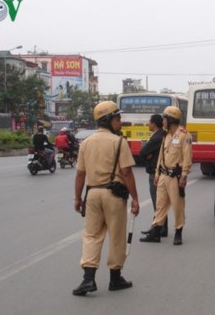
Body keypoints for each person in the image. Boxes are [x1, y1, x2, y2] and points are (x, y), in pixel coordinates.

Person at [72, 101, 140, 296]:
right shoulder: (119, 142)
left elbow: (80, 175)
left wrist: (77, 198)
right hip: (114, 196)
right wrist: (135, 198)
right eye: (118, 119)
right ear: (108, 120)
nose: (120, 123)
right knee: (117, 236)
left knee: (92, 235)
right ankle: (115, 278)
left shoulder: (86, 143)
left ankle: (88, 279)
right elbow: (126, 173)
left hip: (92, 194)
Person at [140, 106, 192, 245]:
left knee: (177, 205)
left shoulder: (184, 135)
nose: (162, 121)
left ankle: (178, 232)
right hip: (163, 175)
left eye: (164, 118)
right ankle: (156, 232)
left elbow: (187, 158)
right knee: (160, 205)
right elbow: (161, 157)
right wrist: (157, 172)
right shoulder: (166, 135)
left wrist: (184, 176)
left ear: (170, 119)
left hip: (176, 177)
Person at [139, 114, 168, 237]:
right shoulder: (162, 134)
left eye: (149, 122)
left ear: (154, 124)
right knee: (160, 202)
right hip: (160, 171)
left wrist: (148, 155)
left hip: (155, 173)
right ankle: (161, 228)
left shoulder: (157, 137)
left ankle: (157, 228)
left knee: (157, 202)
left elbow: (142, 152)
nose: (148, 124)